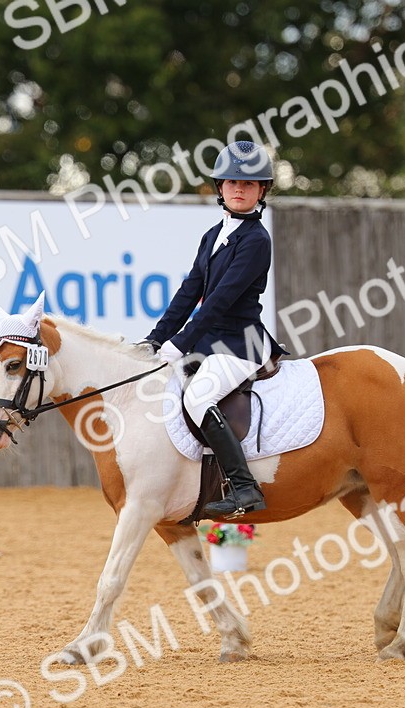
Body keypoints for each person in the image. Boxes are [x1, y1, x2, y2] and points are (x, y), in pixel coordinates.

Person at [141, 140, 287, 517]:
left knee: (198, 397)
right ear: (220, 187)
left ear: (261, 191)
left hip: (241, 343)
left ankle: (244, 487)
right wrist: (156, 337)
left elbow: (219, 301)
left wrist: (181, 342)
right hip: (208, 341)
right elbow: (190, 291)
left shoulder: (256, 240)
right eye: (232, 182)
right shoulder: (212, 235)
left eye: (249, 184)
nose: (239, 189)